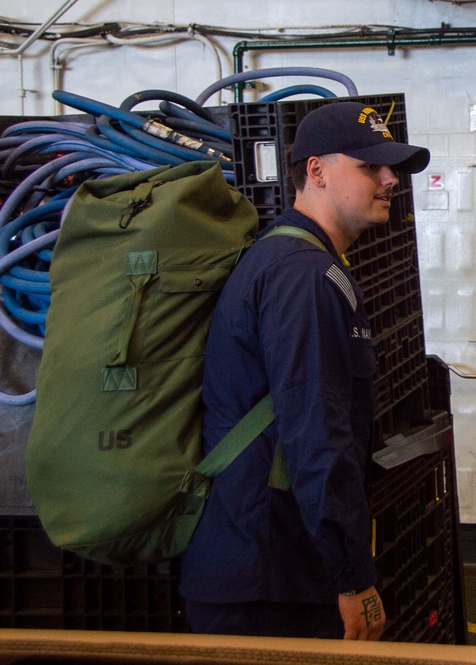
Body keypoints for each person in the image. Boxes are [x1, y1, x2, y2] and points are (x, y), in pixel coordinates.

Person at [179, 102, 430, 640]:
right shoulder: (303, 277)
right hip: (269, 583)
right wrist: (353, 580)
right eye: (369, 167)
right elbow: (317, 435)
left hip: (267, 569)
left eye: (392, 168)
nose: (390, 180)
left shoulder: (300, 263)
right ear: (315, 171)